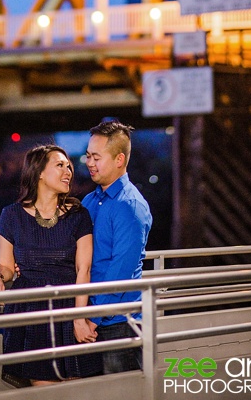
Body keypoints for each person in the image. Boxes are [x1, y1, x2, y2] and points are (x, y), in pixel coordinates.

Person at [0, 144, 101, 386]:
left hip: (68, 306)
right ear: (39, 172)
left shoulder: (79, 215)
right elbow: (6, 266)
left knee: (75, 387)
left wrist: (79, 318)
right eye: (59, 165)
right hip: (30, 311)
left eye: (68, 166)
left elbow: (84, 269)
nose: (68, 171)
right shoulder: (11, 215)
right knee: (43, 389)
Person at [82, 120, 153, 374]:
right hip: (93, 319)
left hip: (119, 324)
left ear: (119, 160)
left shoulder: (129, 206)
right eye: (88, 156)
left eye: (96, 157)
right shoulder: (90, 200)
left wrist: (91, 317)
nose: (89, 162)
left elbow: (119, 272)